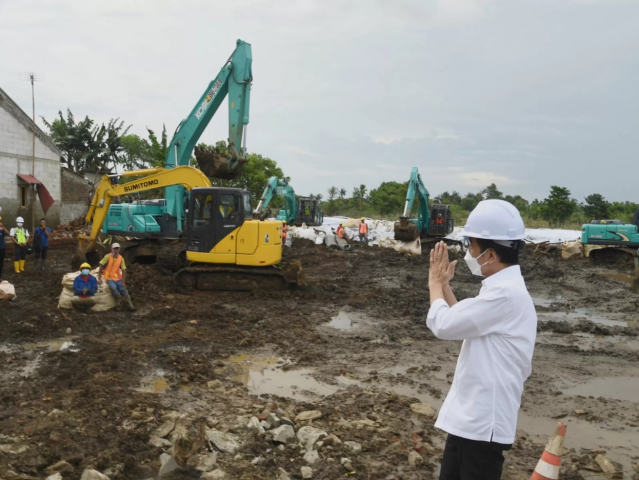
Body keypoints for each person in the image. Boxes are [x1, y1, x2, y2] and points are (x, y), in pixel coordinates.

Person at [426, 199, 536, 480]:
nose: (467, 254)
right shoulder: (500, 291)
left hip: (483, 425)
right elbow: (464, 320)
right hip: (469, 422)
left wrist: (435, 284)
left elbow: (444, 325)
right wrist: (446, 288)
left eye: (470, 247)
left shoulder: (505, 295)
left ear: (489, 254)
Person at [98, 243, 136, 311]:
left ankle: (130, 305)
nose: (116, 250)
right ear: (111, 249)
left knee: (123, 289)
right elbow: (101, 266)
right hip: (109, 277)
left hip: (117, 278)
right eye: (114, 248)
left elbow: (124, 270)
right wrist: (99, 278)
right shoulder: (107, 256)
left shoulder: (121, 258)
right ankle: (120, 301)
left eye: (117, 248)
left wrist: (123, 282)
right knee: (113, 288)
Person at [0, 212, 6, 281]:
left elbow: (8, 233)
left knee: (1, 263)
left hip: (2, 247)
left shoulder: (2, 228)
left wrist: (3, 227)